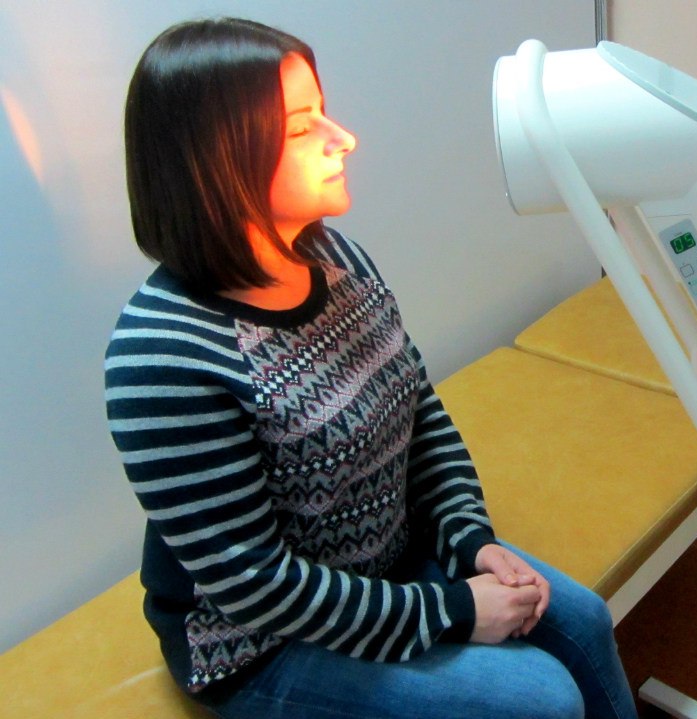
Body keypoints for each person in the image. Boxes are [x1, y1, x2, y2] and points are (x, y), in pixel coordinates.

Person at [104, 17, 638, 719]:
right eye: (302, 127)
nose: (343, 138)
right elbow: (256, 586)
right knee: (541, 700)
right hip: (260, 642)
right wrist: (451, 610)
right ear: (213, 163)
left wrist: (469, 540)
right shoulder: (163, 356)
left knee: (586, 620)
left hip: (387, 562)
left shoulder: (338, 261)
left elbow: (422, 417)